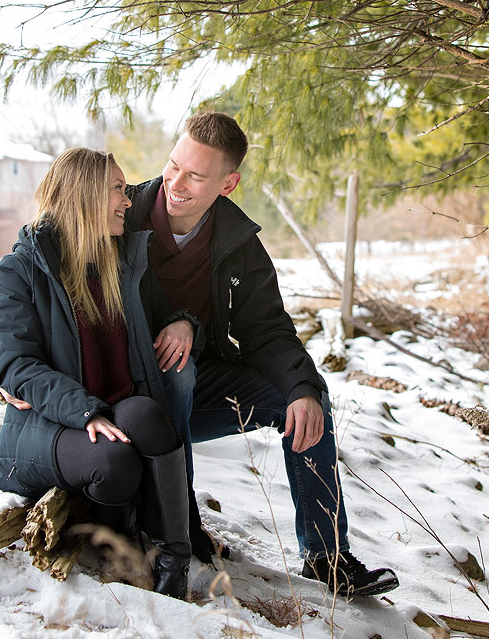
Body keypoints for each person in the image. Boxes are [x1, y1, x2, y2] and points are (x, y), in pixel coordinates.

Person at [126, 112, 400, 598]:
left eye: (196, 175)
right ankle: (180, 532)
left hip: (195, 391)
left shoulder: (239, 246)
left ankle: (325, 554)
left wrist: (301, 388)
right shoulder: (121, 215)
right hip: (127, 396)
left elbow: (268, 331)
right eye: (174, 166)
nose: (177, 183)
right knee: (178, 367)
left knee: (304, 402)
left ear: (227, 183)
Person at [0, 148, 199, 599]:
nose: (127, 200)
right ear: (84, 196)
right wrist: (85, 411)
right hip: (45, 427)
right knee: (113, 461)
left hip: (114, 407)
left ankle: (174, 559)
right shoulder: (21, 269)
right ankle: (120, 550)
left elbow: (167, 311)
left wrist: (184, 323)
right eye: (118, 189)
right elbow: (13, 362)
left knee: (146, 417)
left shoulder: (122, 260)